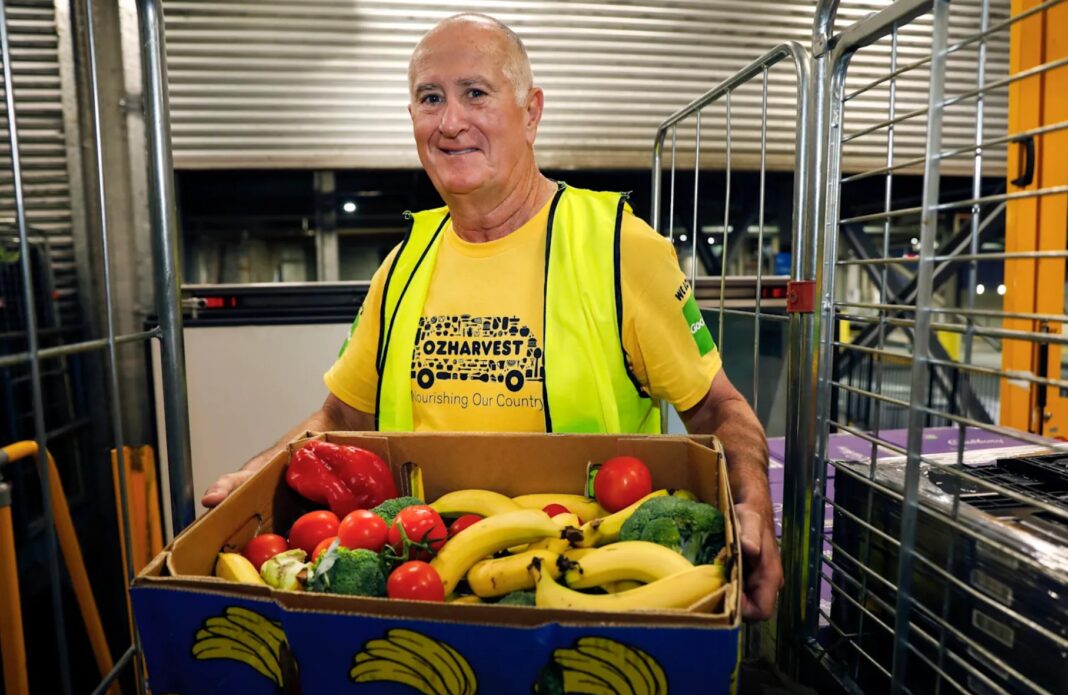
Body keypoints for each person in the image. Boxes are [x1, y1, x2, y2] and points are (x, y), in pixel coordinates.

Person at [202, 13, 782, 621]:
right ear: (413, 120)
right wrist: (254, 472)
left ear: (530, 112)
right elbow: (340, 416)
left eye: (475, 93)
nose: (451, 122)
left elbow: (719, 409)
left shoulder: (619, 249)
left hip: (590, 580)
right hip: (420, 579)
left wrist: (754, 506)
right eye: (431, 99)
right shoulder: (402, 265)